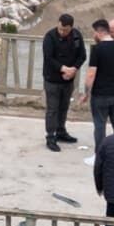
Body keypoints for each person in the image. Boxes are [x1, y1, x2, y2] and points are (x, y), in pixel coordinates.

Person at [79, 17, 114, 150]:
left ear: (98, 32)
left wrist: (86, 92)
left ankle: (101, 154)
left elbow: (91, 74)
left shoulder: (97, 49)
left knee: (100, 125)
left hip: (100, 94)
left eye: (94, 33)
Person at [41, 13, 86, 152]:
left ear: (71, 28)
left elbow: (82, 55)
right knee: (52, 109)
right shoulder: (50, 36)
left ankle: (61, 131)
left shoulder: (77, 36)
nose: (62, 32)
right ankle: (50, 136)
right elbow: (49, 58)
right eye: (60, 29)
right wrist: (63, 68)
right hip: (52, 78)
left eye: (65, 30)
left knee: (64, 107)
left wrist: (74, 69)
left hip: (68, 79)